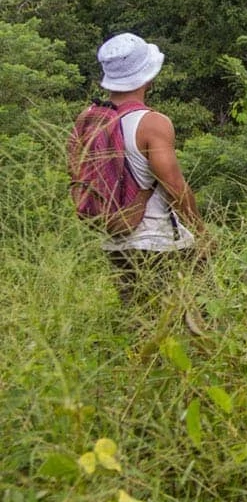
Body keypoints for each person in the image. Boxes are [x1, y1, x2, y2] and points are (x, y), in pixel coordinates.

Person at [92, 33, 211, 319]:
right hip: (158, 243)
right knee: (194, 323)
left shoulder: (92, 120)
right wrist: (202, 233)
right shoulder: (151, 124)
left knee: (140, 327)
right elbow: (175, 187)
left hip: (114, 241)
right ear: (147, 77)